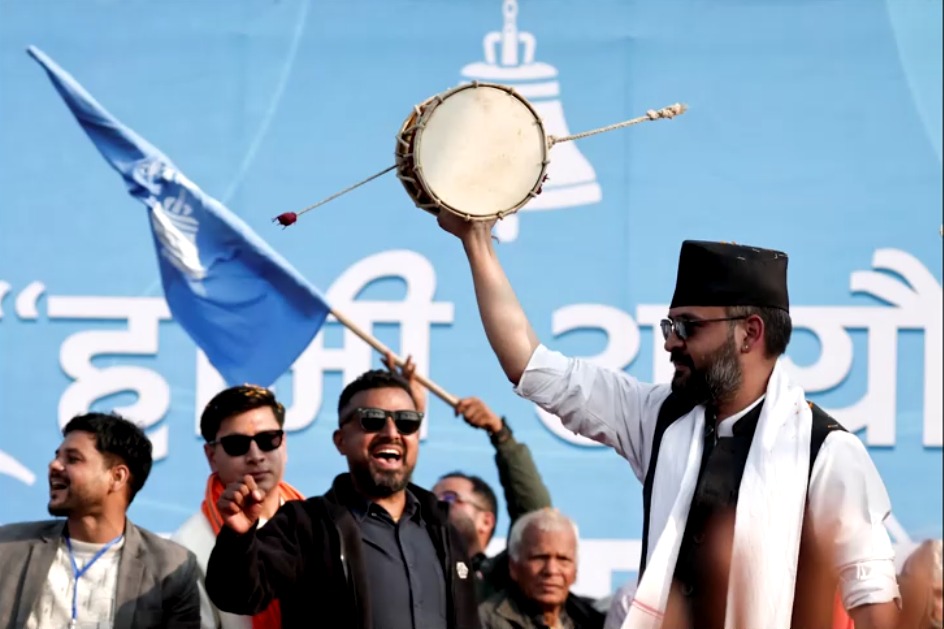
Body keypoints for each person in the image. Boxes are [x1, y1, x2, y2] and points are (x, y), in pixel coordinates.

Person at [438, 214, 900, 629]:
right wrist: (477, 242)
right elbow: (531, 366)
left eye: (687, 327)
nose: (670, 342)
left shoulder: (824, 451)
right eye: (669, 326)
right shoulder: (661, 418)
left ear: (750, 333)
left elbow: (874, 599)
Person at [205, 368, 480, 629]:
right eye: (372, 420)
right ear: (340, 441)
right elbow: (237, 595)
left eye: (406, 422)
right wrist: (237, 538)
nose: (391, 433)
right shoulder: (305, 526)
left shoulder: (444, 528)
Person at [0, 412, 200, 628]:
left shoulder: (169, 568)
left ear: (117, 477)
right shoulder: (7, 546)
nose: (54, 465)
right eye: (57, 457)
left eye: (73, 459)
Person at [384, 353, 552, 601]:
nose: (437, 505)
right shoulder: (409, 567)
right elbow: (392, 500)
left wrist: (500, 434)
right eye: (433, 500)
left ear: (486, 521)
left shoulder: (505, 580)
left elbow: (536, 518)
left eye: (450, 498)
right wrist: (408, 424)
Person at [172, 384, 304, 629]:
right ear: (211, 456)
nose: (256, 455)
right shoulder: (188, 547)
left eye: (268, 440)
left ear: (283, 444)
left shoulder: (320, 523)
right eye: (236, 444)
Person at [479, 508, 603, 629]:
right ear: (513, 567)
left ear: (575, 571)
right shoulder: (483, 621)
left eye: (563, 559)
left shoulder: (592, 621)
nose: (551, 570)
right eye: (539, 558)